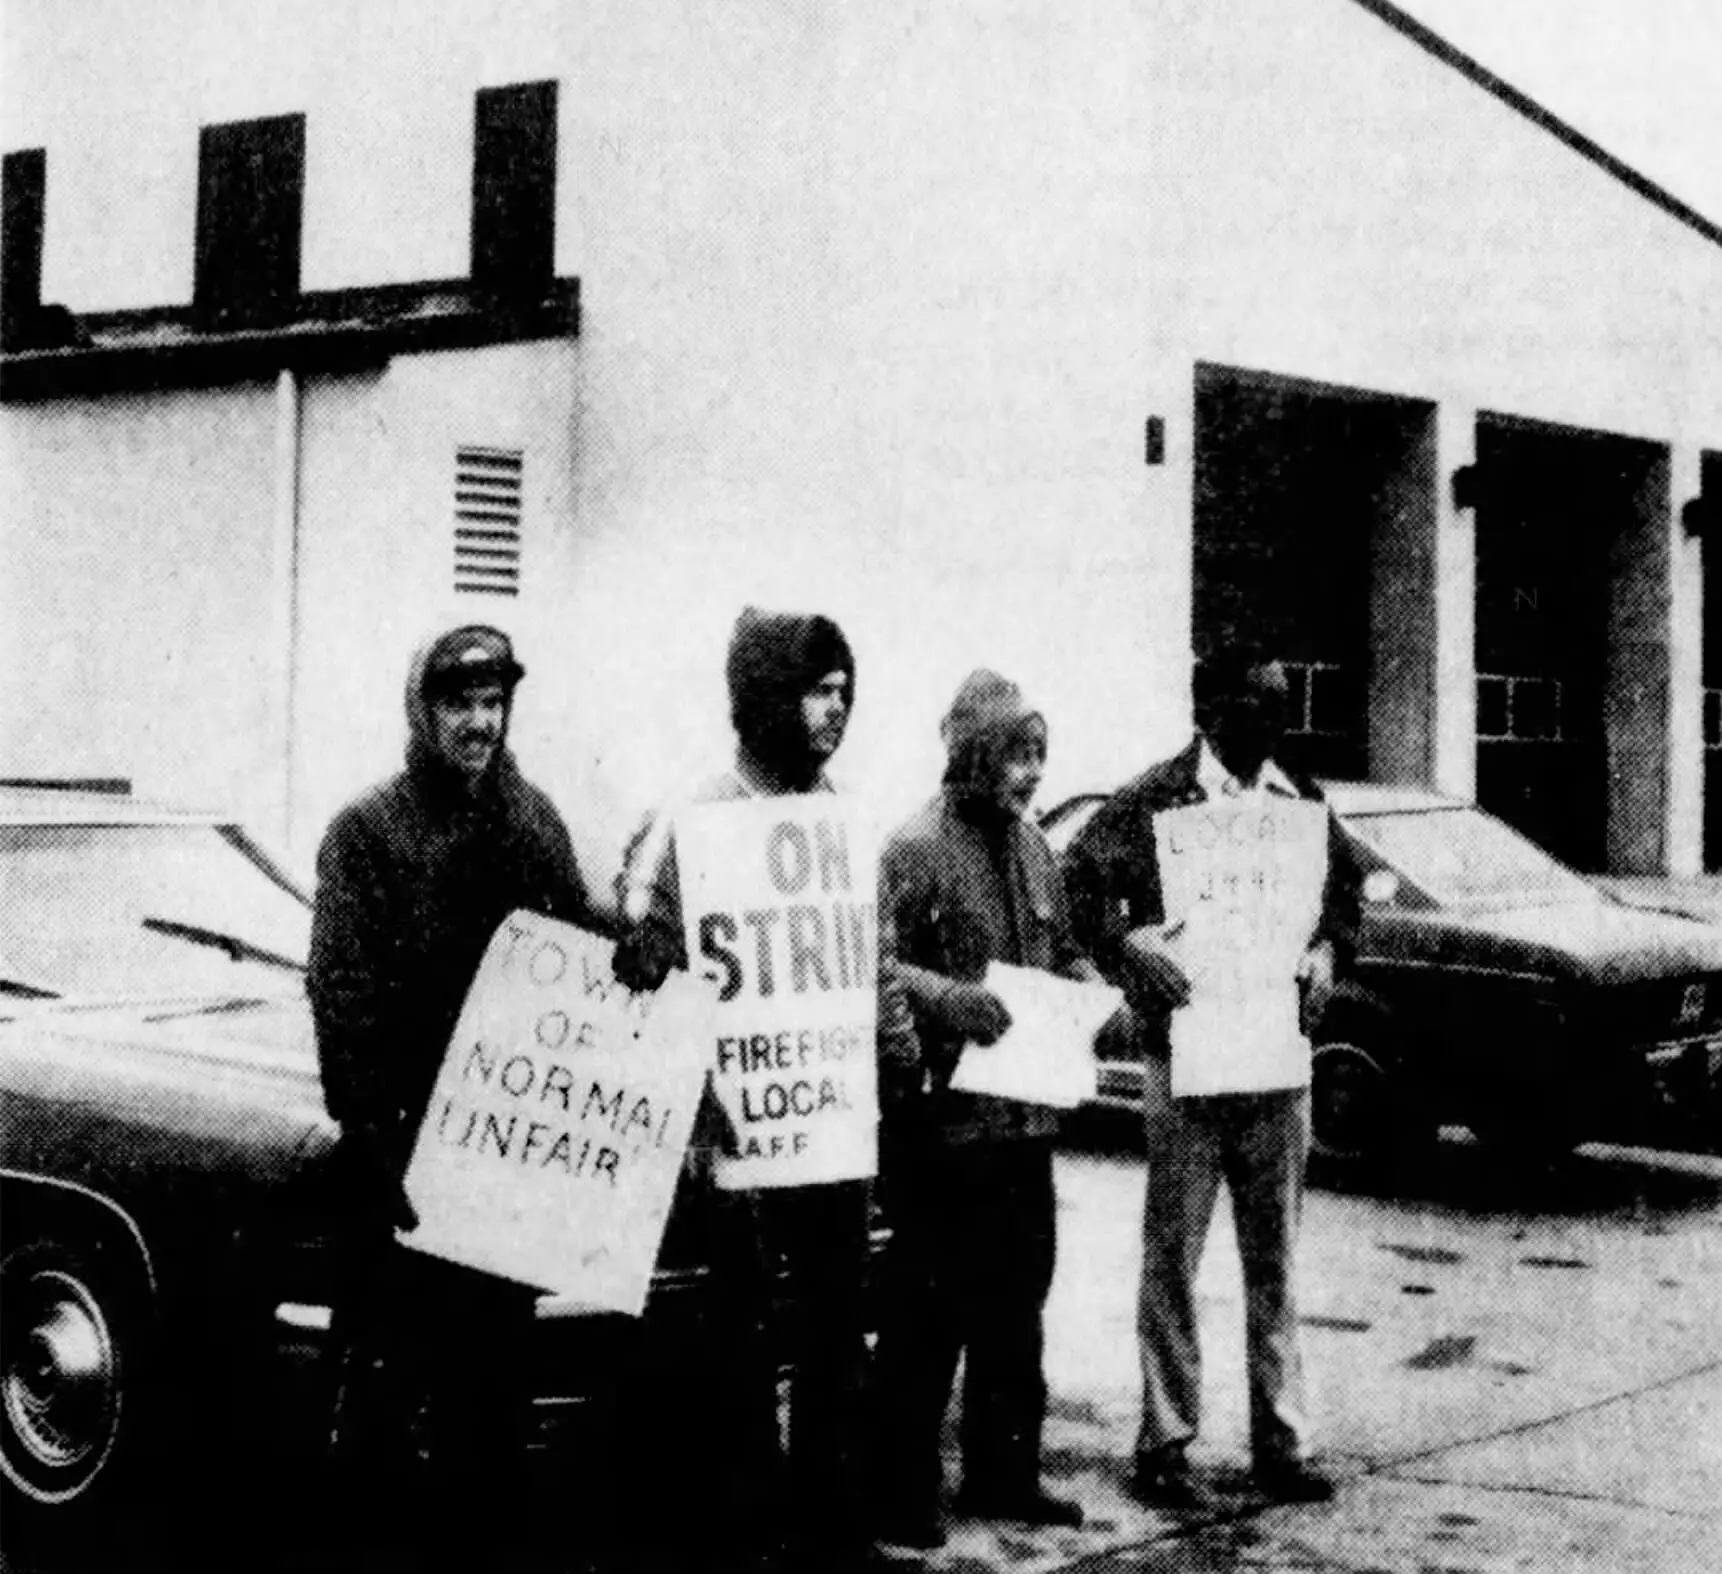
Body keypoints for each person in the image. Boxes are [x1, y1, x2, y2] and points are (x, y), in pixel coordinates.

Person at [610, 606, 915, 1574]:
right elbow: (639, 971)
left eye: (844, 692)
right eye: (817, 689)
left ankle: (835, 1522)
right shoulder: (688, 819)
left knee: (835, 1327)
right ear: (764, 698)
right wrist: (694, 1096)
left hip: (828, 1126)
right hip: (733, 1134)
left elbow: (878, 962)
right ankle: (745, 1525)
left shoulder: (847, 820)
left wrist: (895, 1059)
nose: (835, 711)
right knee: (737, 1334)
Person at [307, 624, 610, 1572]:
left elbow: (578, 948)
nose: (479, 723)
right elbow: (343, 991)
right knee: (387, 1397)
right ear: (423, 711)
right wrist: (370, 1135)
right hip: (404, 1156)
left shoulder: (532, 820)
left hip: (502, 1159)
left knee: (496, 1389)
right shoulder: (368, 831)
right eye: (460, 705)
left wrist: (635, 948)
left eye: (494, 704)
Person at [1062, 651, 1356, 1512]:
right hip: (1188, 1065)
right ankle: (1166, 1442)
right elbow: (1079, 886)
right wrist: (1125, 950)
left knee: (1276, 1262)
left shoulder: (1299, 800)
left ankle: (1282, 1443)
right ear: (1208, 708)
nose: (1269, 719)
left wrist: (1329, 950)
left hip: (1274, 1065)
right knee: (1173, 1261)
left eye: (1278, 703)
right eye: (1251, 703)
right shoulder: (1153, 800)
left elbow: (1344, 895)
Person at [870, 669, 1097, 1549]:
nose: (1032, 774)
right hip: (943, 1131)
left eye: (1039, 755)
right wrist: (949, 999)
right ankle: (899, 1490)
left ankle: (1005, 1476)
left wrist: (1085, 987)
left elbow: (1065, 949)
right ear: (973, 755)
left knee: (1017, 1309)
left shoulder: (1038, 851)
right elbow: (877, 968)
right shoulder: (912, 848)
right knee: (927, 1318)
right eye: (1017, 756)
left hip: (1024, 1127)